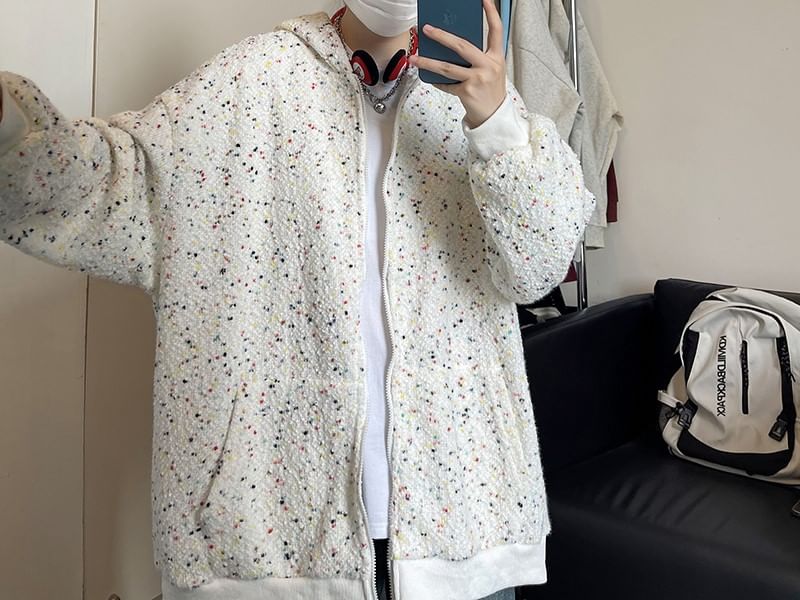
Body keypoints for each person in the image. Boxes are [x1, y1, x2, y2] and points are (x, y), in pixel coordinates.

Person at [0, 0, 596, 598]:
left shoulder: (480, 105)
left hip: (466, 529)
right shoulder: (248, 81)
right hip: (271, 539)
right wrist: (9, 134)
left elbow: (539, 269)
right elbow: (111, 187)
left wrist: (496, 122)